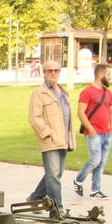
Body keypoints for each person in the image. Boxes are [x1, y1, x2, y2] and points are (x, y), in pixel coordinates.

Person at [27, 61, 76, 209]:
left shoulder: (62, 92)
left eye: (56, 70)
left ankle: (35, 199)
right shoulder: (39, 93)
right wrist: (48, 133)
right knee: (53, 176)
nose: (53, 73)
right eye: (49, 71)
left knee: (55, 174)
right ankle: (57, 209)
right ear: (44, 73)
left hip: (63, 139)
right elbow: (34, 118)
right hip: (50, 140)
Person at [73, 63, 112, 200]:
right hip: (94, 133)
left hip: (106, 133)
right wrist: (90, 129)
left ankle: (95, 190)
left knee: (101, 162)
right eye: (108, 75)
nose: (111, 78)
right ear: (101, 75)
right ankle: (78, 180)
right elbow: (80, 112)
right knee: (95, 160)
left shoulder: (107, 93)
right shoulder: (87, 92)